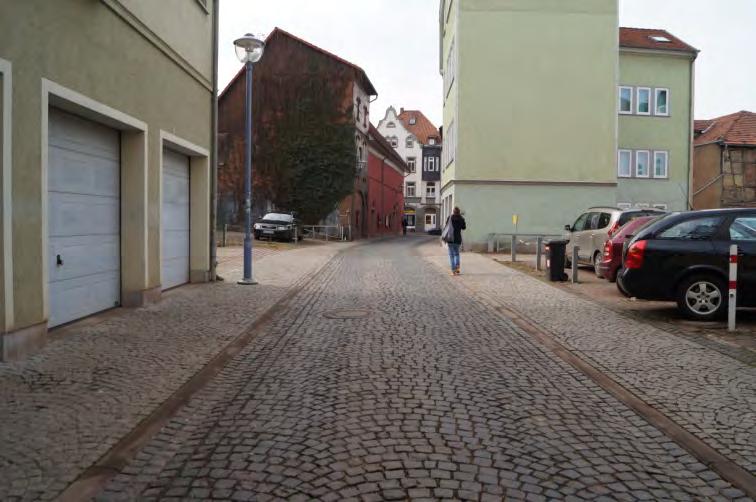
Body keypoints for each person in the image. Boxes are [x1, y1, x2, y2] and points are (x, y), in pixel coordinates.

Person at [446, 207, 466, 275]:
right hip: (458, 239)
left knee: (451, 255)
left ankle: (453, 270)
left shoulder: (450, 218)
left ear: (453, 211)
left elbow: (446, 226)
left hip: (450, 239)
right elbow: (464, 228)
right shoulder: (461, 219)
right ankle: (457, 268)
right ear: (459, 212)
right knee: (457, 254)